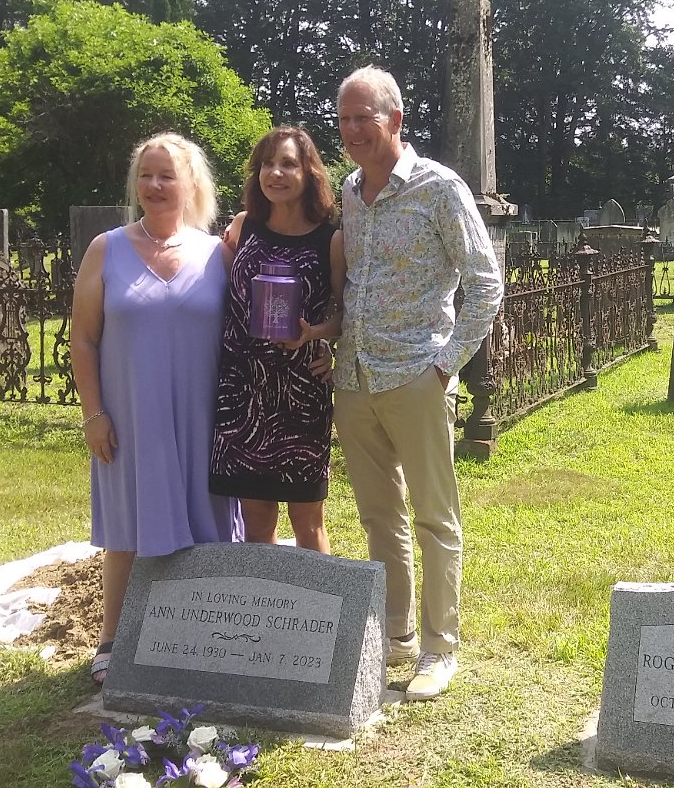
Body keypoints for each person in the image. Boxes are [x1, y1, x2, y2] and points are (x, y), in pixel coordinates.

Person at [331, 66, 503, 701]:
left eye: (364, 119)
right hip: (355, 377)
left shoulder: (439, 188)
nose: (353, 131)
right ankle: (395, 634)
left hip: (416, 375)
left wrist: (445, 365)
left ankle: (439, 648)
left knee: (434, 516)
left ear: (395, 120)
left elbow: (485, 282)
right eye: (344, 120)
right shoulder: (351, 190)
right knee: (379, 517)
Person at [71, 132, 243, 687]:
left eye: (167, 175)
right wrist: (94, 414)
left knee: (209, 522)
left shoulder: (218, 253)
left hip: (203, 419)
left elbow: (252, 327)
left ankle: (211, 633)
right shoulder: (106, 249)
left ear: (191, 183)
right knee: (126, 528)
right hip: (130, 419)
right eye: (145, 175)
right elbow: (83, 338)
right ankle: (112, 637)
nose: (154, 185)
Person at [209, 126, 345, 553]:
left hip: (301, 390)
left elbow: (346, 313)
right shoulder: (243, 226)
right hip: (242, 388)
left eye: (288, 164)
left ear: (309, 173)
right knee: (257, 518)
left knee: (308, 520)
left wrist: (317, 335)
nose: (275, 173)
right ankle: (263, 598)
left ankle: (317, 599)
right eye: (267, 164)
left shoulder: (331, 238)